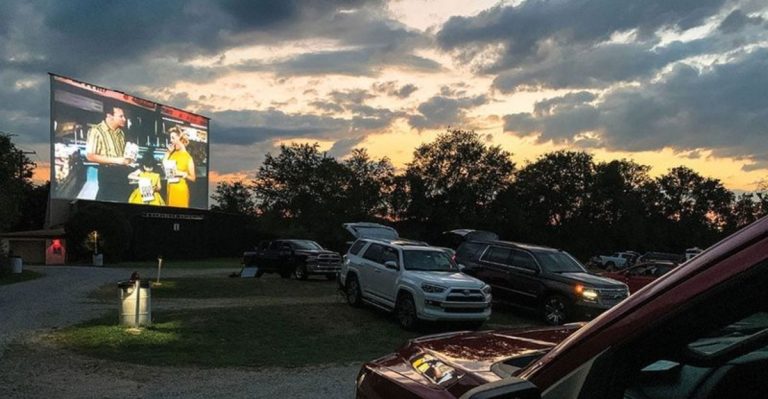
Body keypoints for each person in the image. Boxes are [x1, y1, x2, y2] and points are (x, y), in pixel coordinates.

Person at [85, 103, 135, 202]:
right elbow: (90, 156)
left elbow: (122, 155)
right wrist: (117, 160)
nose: (124, 119)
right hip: (107, 173)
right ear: (109, 116)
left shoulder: (121, 133)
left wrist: (129, 158)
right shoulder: (96, 131)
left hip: (122, 172)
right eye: (121, 116)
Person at [164, 126, 195, 208]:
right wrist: (167, 153)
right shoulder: (172, 153)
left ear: (179, 139)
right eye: (170, 138)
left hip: (180, 190)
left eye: (173, 138)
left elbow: (193, 178)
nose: (171, 140)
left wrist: (182, 174)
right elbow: (164, 164)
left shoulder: (188, 157)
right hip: (170, 188)